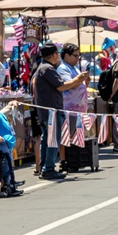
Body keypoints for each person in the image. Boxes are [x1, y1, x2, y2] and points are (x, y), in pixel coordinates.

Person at [32, 42, 76, 180]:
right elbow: (61, 86)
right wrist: (78, 80)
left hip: (47, 111)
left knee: (47, 140)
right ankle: (48, 168)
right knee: (53, 140)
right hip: (52, 112)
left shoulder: (43, 68)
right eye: (57, 53)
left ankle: (45, 167)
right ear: (53, 55)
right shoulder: (47, 68)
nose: (58, 56)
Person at [56, 43, 90, 171]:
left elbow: (79, 84)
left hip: (78, 110)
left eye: (78, 56)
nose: (77, 58)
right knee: (67, 137)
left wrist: (85, 80)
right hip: (69, 109)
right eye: (75, 56)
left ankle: (74, 162)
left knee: (75, 137)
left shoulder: (74, 68)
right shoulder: (63, 69)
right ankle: (65, 161)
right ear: (66, 56)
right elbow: (70, 84)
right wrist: (80, 79)